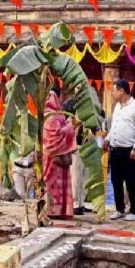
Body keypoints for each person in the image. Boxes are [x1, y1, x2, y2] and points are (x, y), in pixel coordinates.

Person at [105, 80, 135, 221]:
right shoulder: (117, 106)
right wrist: (108, 138)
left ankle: (134, 210)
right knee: (115, 180)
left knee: (130, 181)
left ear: (121, 91)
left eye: (114, 90)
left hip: (129, 149)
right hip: (115, 148)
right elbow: (114, 126)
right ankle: (119, 209)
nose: (112, 93)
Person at [43, 90, 78, 219]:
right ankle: (58, 210)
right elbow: (57, 134)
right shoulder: (55, 116)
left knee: (50, 182)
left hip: (47, 156)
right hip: (56, 155)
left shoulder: (44, 115)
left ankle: (49, 209)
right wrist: (71, 125)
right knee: (57, 183)